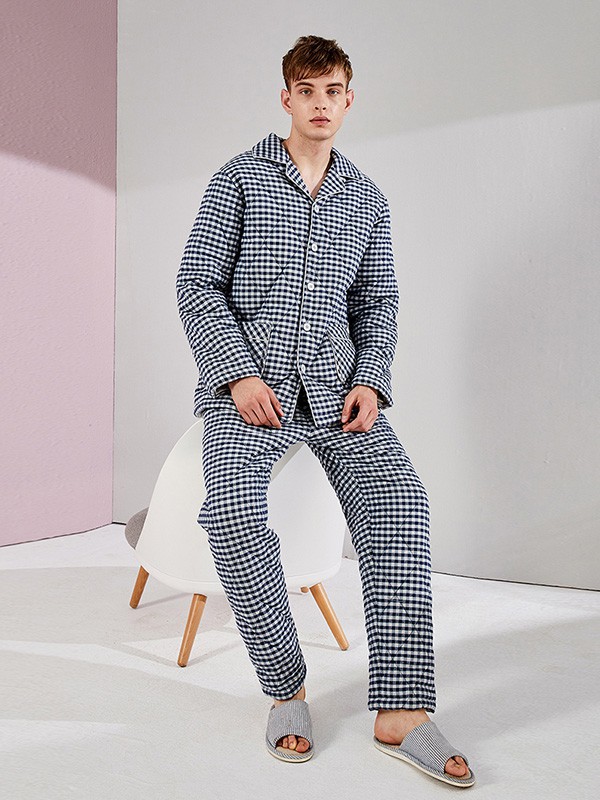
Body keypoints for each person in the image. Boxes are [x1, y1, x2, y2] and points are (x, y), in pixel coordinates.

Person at [176, 35, 475, 787]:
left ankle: (401, 710)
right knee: (231, 510)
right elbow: (196, 284)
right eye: (306, 91)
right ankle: (286, 687)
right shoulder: (238, 179)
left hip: (342, 393)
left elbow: (378, 303)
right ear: (286, 98)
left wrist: (371, 380)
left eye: (332, 91)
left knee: (403, 504)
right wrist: (236, 375)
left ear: (349, 99)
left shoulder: (367, 199)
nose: (320, 104)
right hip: (255, 394)